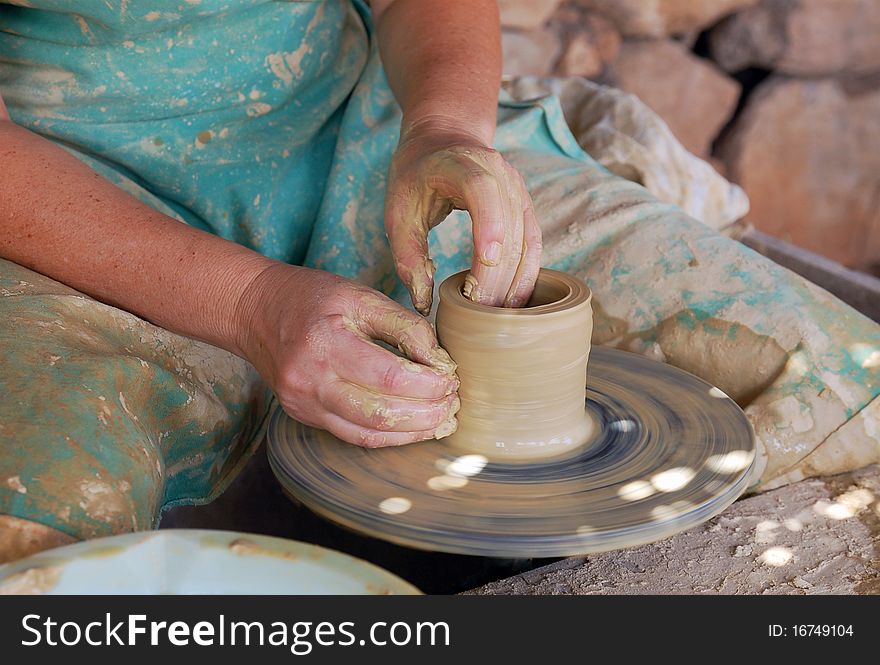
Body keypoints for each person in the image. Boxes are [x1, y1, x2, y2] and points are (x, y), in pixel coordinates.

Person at [1, 0, 877, 563]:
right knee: (29, 537)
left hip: (370, 140)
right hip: (75, 210)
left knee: (847, 382)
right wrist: (245, 301)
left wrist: (447, 128)